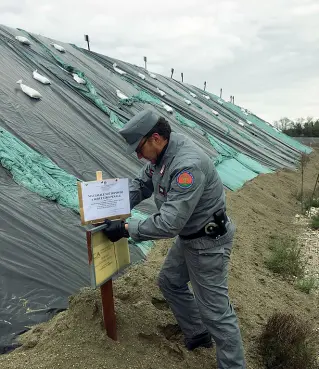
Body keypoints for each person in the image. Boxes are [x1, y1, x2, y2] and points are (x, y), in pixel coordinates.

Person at [103, 109, 246, 369]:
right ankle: (197, 332)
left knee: (216, 314)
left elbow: (169, 223)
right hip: (190, 236)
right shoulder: (162, 156)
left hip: (207, 243)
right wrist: (109, 207)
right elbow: (141, 185)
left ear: (155, 138)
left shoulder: (186, 166)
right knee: (169, 282)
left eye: (139, 148)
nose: (138, 155)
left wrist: (125, 228)